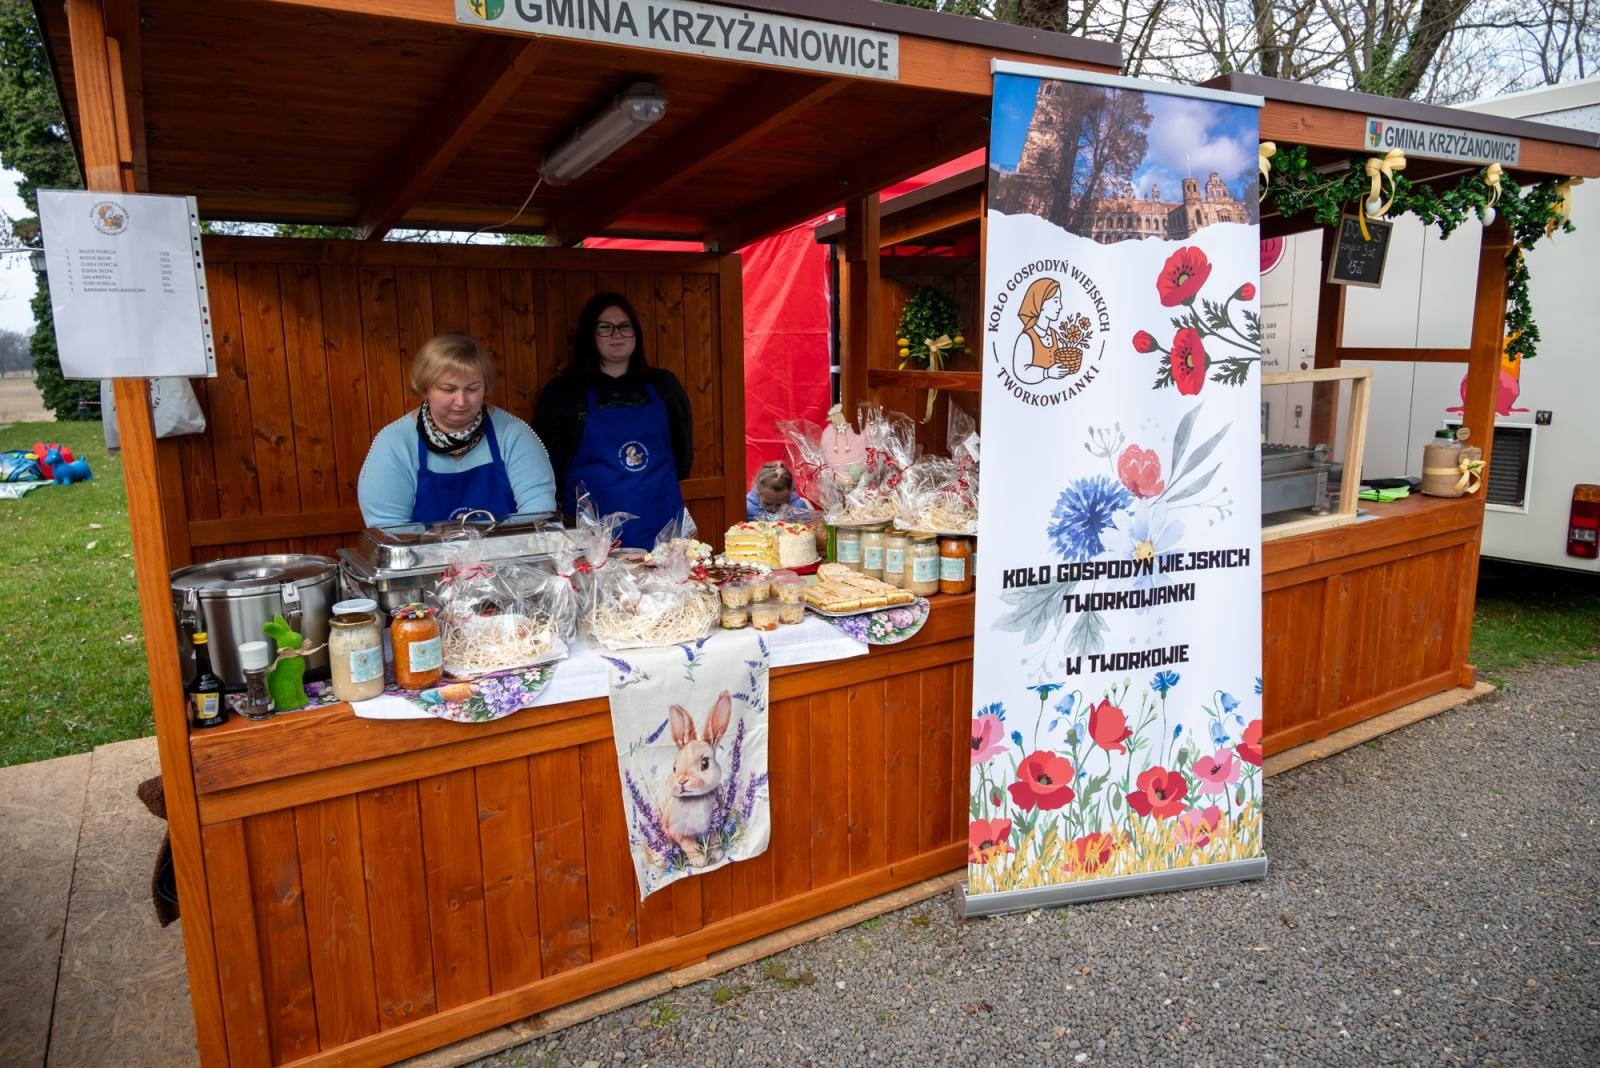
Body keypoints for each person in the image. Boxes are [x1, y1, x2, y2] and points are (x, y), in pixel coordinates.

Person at [533, 292, 693, 548]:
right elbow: (546, 464)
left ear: (636, 333)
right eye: (605, 328)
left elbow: (682, 455)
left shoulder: (664, 386)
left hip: (663, 527)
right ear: (589, 335)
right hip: (592, 537)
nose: (617, 335)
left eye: (624, 326)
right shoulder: (563, 392)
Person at [358, 333, 556, 526]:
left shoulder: (514, 434)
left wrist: (484, 542)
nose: (461, 401)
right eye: (448, 389)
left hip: (510, 549)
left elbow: (538, 512)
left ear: (485, 387)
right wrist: (447, 544)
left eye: (472, 388)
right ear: (425, 388)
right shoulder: (393, 443)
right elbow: (388, 528)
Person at [1011, 277, 1072, 385]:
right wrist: (1047, 373)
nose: (1060, 306)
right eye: (1056, 301)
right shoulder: (1026, 338)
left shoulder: (1055, 335)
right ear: (1040, 304)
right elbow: (1021, 372)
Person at [745, 461, 813, 520]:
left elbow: (806, 526)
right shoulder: (748, 508)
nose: (773, 509)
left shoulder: (798, 508)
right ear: (758, 492)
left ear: (789, 495)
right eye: (767, 504)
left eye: (779, 505)